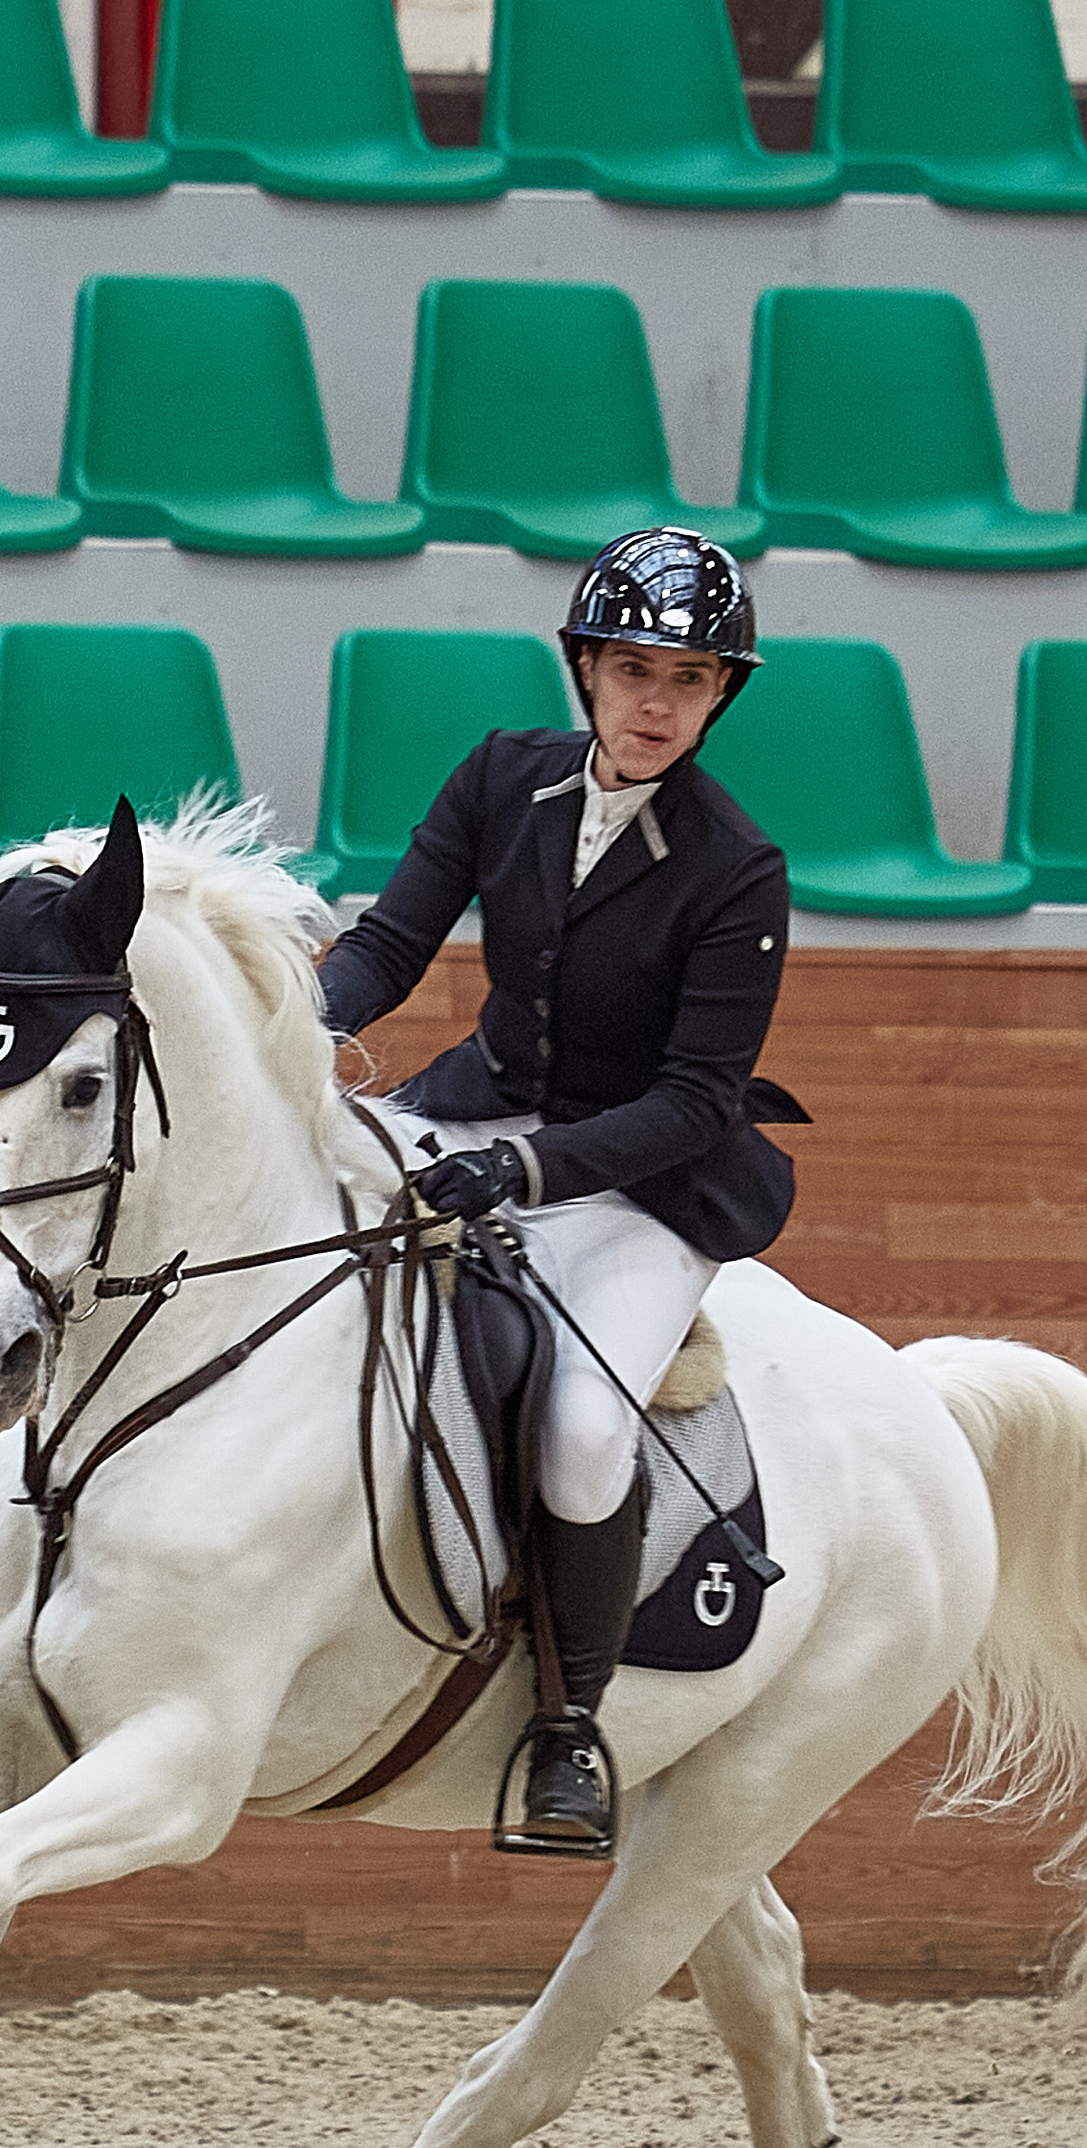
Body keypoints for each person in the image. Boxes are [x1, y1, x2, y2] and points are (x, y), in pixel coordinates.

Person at [315, 526, 804, 1856]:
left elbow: (694, 1098)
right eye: (635, 670)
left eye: (691, 680)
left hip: (646, 1177)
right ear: (585, 668)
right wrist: (286, 1030)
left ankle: (569, 1724)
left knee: (586, 1429)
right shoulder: (502, 775)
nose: (658, 704)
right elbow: (388, 944)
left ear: (721, 694)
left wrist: (523, 1171)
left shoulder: (737, 868)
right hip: (481, 1106)